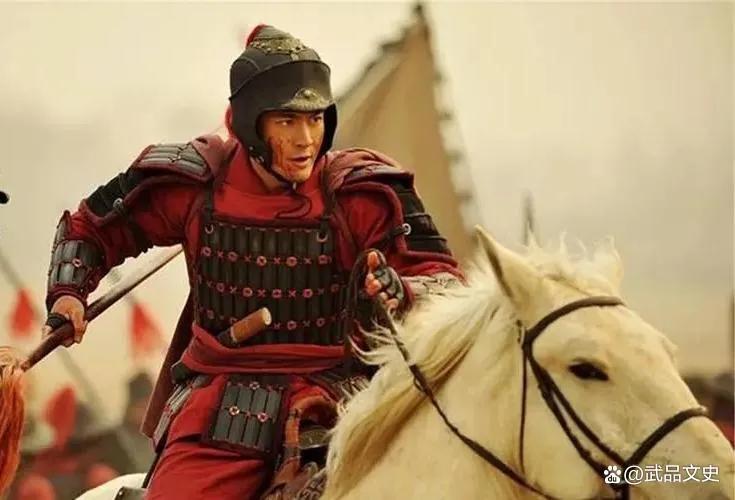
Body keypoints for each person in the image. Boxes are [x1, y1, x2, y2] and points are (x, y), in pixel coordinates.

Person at [41, 25, 463, 499]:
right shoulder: (195, 184)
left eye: (315, 119)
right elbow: (90, 229)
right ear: (248, 122)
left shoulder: (362, 192)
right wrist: (68, 296)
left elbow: (445, 283)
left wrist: (402, 291)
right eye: (287, 121)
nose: (306, 139)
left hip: (349, 402)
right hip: (222, 410)